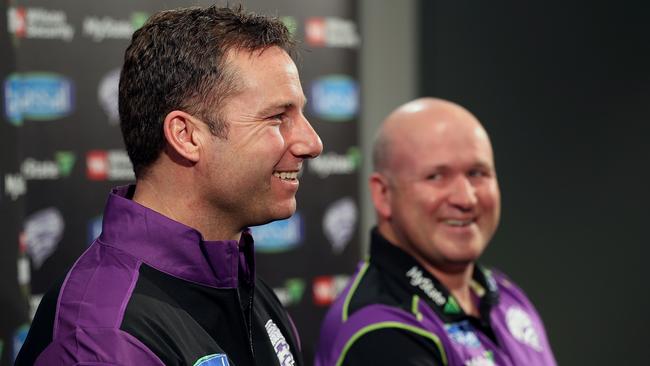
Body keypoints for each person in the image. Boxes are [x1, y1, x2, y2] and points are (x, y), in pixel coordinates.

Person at [16, 5, 322, 366]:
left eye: (300, 114)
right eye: (276, 118)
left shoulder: (241, 282)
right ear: (186, 136)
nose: (312, 143)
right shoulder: (102, 340)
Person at [315, 98, 556, 366]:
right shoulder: (380, 330)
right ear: (383, 194)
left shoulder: (505, 295)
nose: (466, 199)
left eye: (477, 173)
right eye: (436, 177)